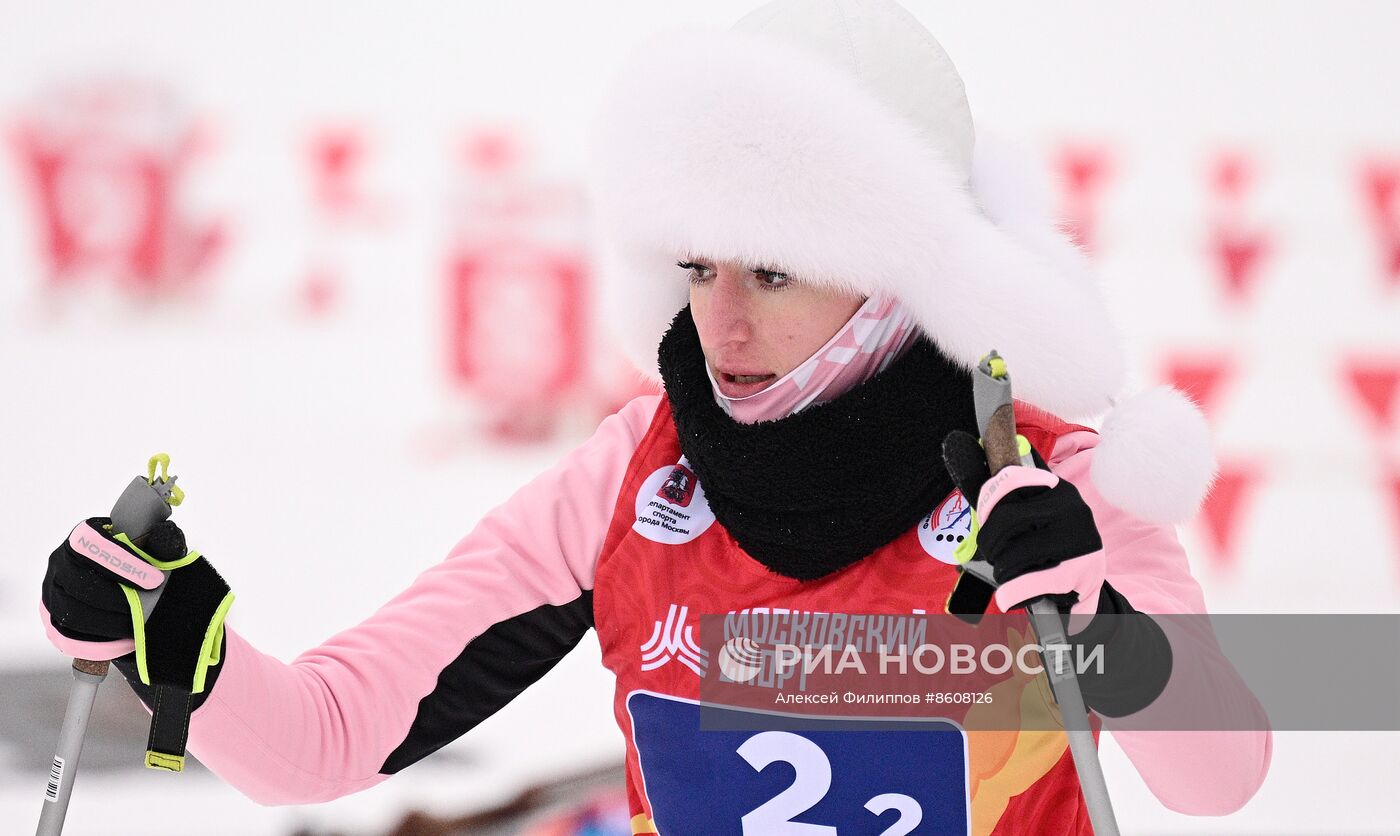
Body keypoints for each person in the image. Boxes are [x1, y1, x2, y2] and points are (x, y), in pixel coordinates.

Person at [40, 1, 1271, 832]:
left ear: (894, 266)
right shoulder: (631, 478)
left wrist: (1103, 628)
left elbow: (1222, 775)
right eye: (695, 268)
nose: (716, 326)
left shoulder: (1050, 477)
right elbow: (321, 740)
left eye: (771, 274)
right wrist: (186, 657)